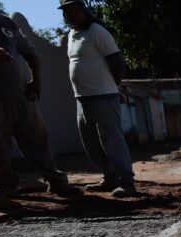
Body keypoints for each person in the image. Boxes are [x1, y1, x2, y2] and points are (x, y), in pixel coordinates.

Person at [0, 0, 78, 200]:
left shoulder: (5, 23)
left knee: (38, 140)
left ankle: (56, 181)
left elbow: (30, 53)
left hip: (21, 96)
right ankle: (7, 189)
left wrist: (36, 81)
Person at [59, 0, 135, 197]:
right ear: (64, 15)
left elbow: (117, 62)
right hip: (82, 98)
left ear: (84, 10)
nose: (73, 13)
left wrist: (114, 86)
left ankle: (127, 182)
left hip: (103, 95)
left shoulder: (97, 31)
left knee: (112, 139)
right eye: (68, 11)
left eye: (76, 9)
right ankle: (110, 177)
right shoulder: (72, 34)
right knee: (90, 142)